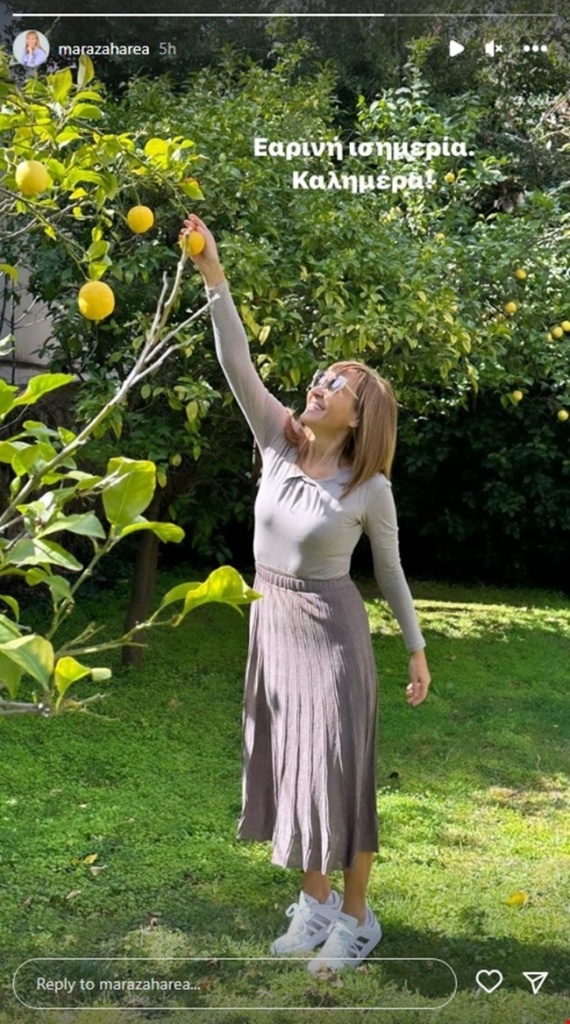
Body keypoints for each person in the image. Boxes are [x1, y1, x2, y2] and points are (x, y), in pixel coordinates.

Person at [183, 212, 431, 975]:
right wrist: (213, 274)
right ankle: (315, 902)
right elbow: (236, 363)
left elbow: (389, 572)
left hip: (332, 635)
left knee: (338, 772)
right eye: (322, 378)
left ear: (361, 416)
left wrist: (416, 650)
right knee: (291, 763)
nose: (320, 386)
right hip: (274, 622)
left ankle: (357, 919)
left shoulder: (369, 487)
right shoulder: (278, 442)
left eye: (338, 386)